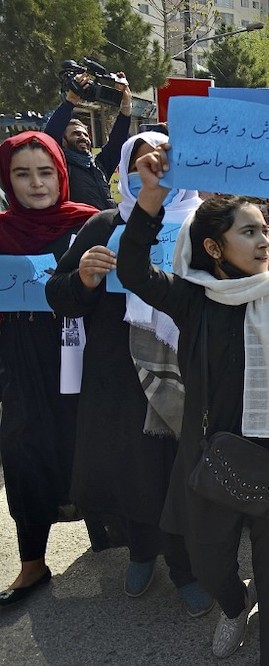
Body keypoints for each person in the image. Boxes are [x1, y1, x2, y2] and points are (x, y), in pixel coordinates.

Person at [116, 143, 269, 664]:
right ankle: (235, 607)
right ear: (214, 248)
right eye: (248, 232)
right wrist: (150, 199)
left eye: (264, 230)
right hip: (209, 457)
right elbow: (131, 272)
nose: (263, 242)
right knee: (210, 565)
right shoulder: (191, 298)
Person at [45, 132, 213, 615]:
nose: (150, 175)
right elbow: (56, 295)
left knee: (180, 468)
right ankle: (142, 551)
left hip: (184, 366)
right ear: (124, 170)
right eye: (140, 166)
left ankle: (185, 566)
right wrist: (84, 278)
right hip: (117, 374)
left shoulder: (202, 224)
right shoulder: (102, 225)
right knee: (134, 468)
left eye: (160, 165)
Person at [0, 132, 99, 608]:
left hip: (79, 352)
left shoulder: (89, 225)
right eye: (22, 173)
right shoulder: (0, 231)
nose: (35, 184)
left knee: (88, 442)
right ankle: (32, 563)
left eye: (45, 172)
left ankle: (111, 533)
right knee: (23, 452)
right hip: (20, 362)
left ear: (61, 173)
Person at [43, 73, 133, 210]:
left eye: (85, 134)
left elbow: (117, 142)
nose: (83, 137)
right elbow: (49, 138)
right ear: (64, 142)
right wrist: (70, 102)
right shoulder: (61, 169)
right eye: (76, 134)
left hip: (107, 227)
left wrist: (126, 105)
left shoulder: (98, 166)